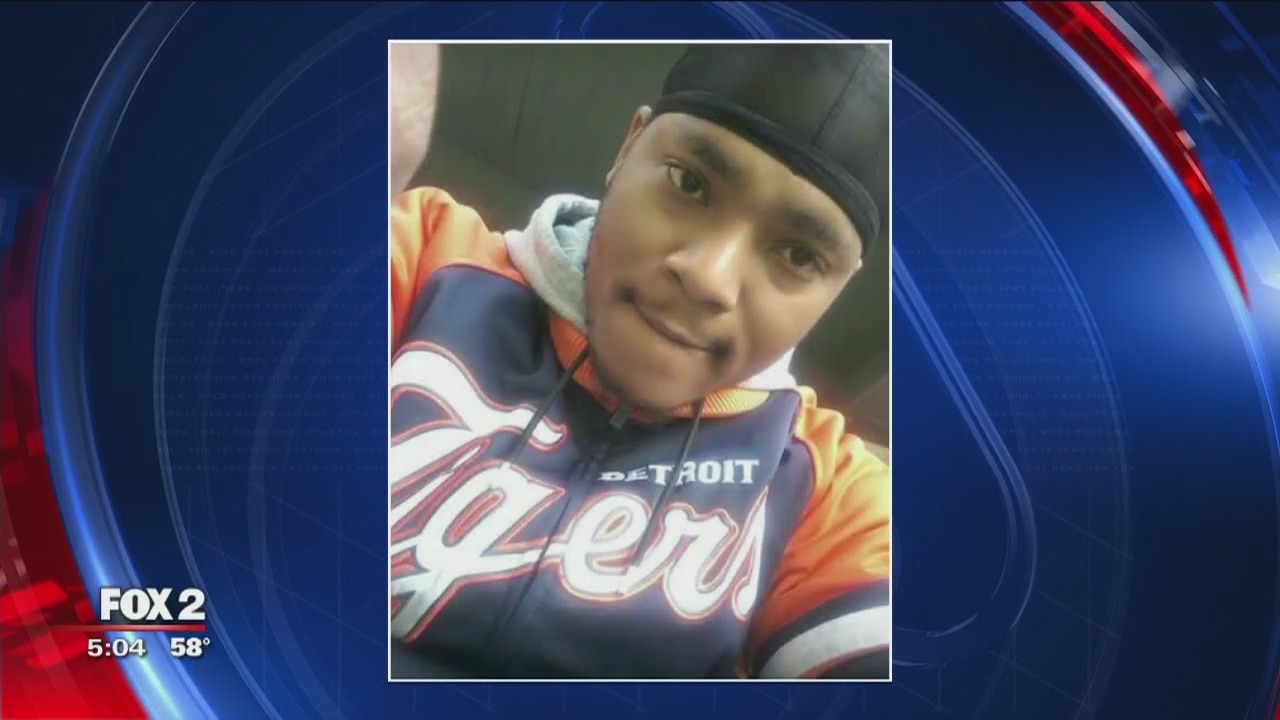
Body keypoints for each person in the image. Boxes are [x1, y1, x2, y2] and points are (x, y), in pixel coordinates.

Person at [389, 43, 891, 679]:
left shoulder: (827, 488)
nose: (708, 278)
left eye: (799, 256)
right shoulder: (425, 258)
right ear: (628, 149)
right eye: (689, 183)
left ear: (838, 287)